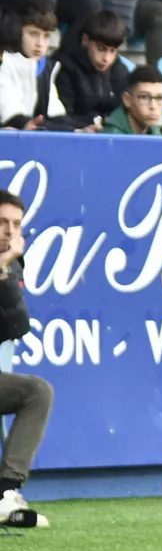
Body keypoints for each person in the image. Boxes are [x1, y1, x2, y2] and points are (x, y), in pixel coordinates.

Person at [0, 190, 52, 529]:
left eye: (16, 224)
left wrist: (4, 270)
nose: (9, 231)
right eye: (2, 222)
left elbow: (17, 324)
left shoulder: (12, 262)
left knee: (37, 391)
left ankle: (6, 494)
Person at [0, 7, 54, 126]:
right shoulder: (5, 63)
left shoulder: (46, 67)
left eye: (46, 36)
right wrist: (25, 124)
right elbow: (11, 114)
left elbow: (56, 114)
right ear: (18, 33)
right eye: (33, 34)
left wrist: (76, 130)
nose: (40, 44)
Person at [103, 63, 162, 134]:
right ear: (127, 100)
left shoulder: (155, 132)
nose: (153, 106)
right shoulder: (111, 137)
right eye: (144, 97)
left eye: (159, 98)